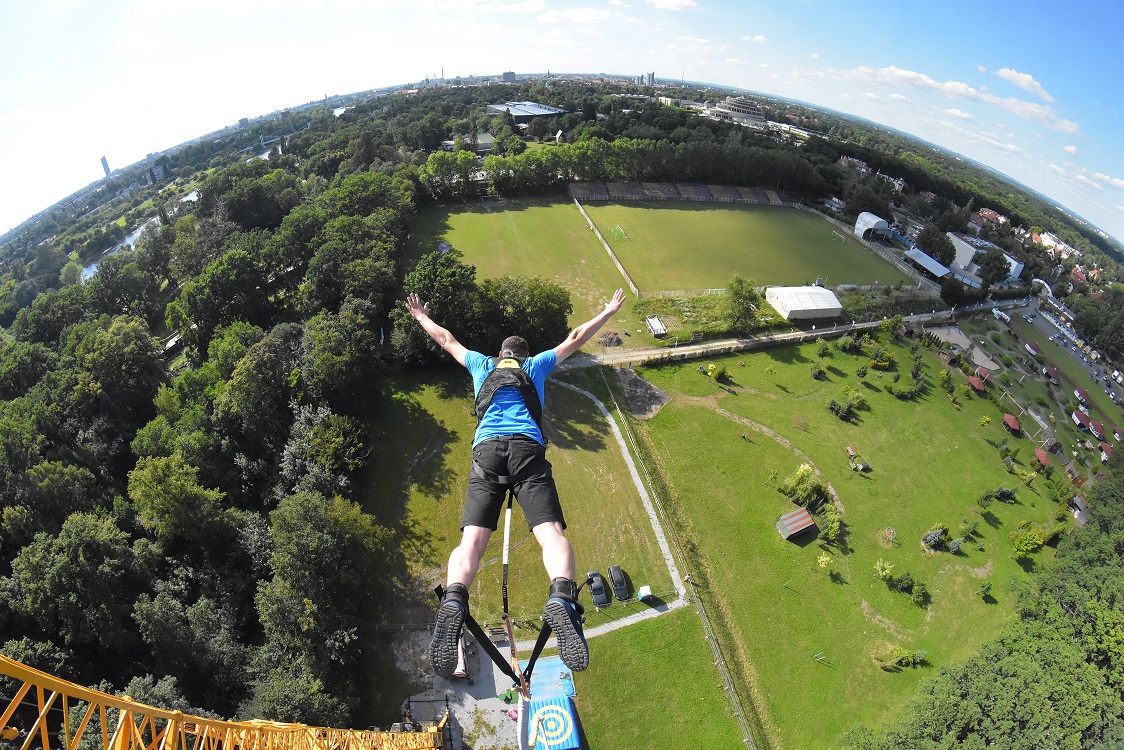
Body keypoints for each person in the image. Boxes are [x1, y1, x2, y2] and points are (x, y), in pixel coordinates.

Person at [406, 289, 627, 678]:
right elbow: (575, 338)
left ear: (501, 354)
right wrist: (607, 311)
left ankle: (454, 599)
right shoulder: (535, 366)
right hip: (527, 452)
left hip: (487, 453)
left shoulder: (480, 365)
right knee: (550, 533)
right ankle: (561, 596)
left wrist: (421, 317)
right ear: (522, 357)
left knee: (471, 543)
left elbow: (446, 339)